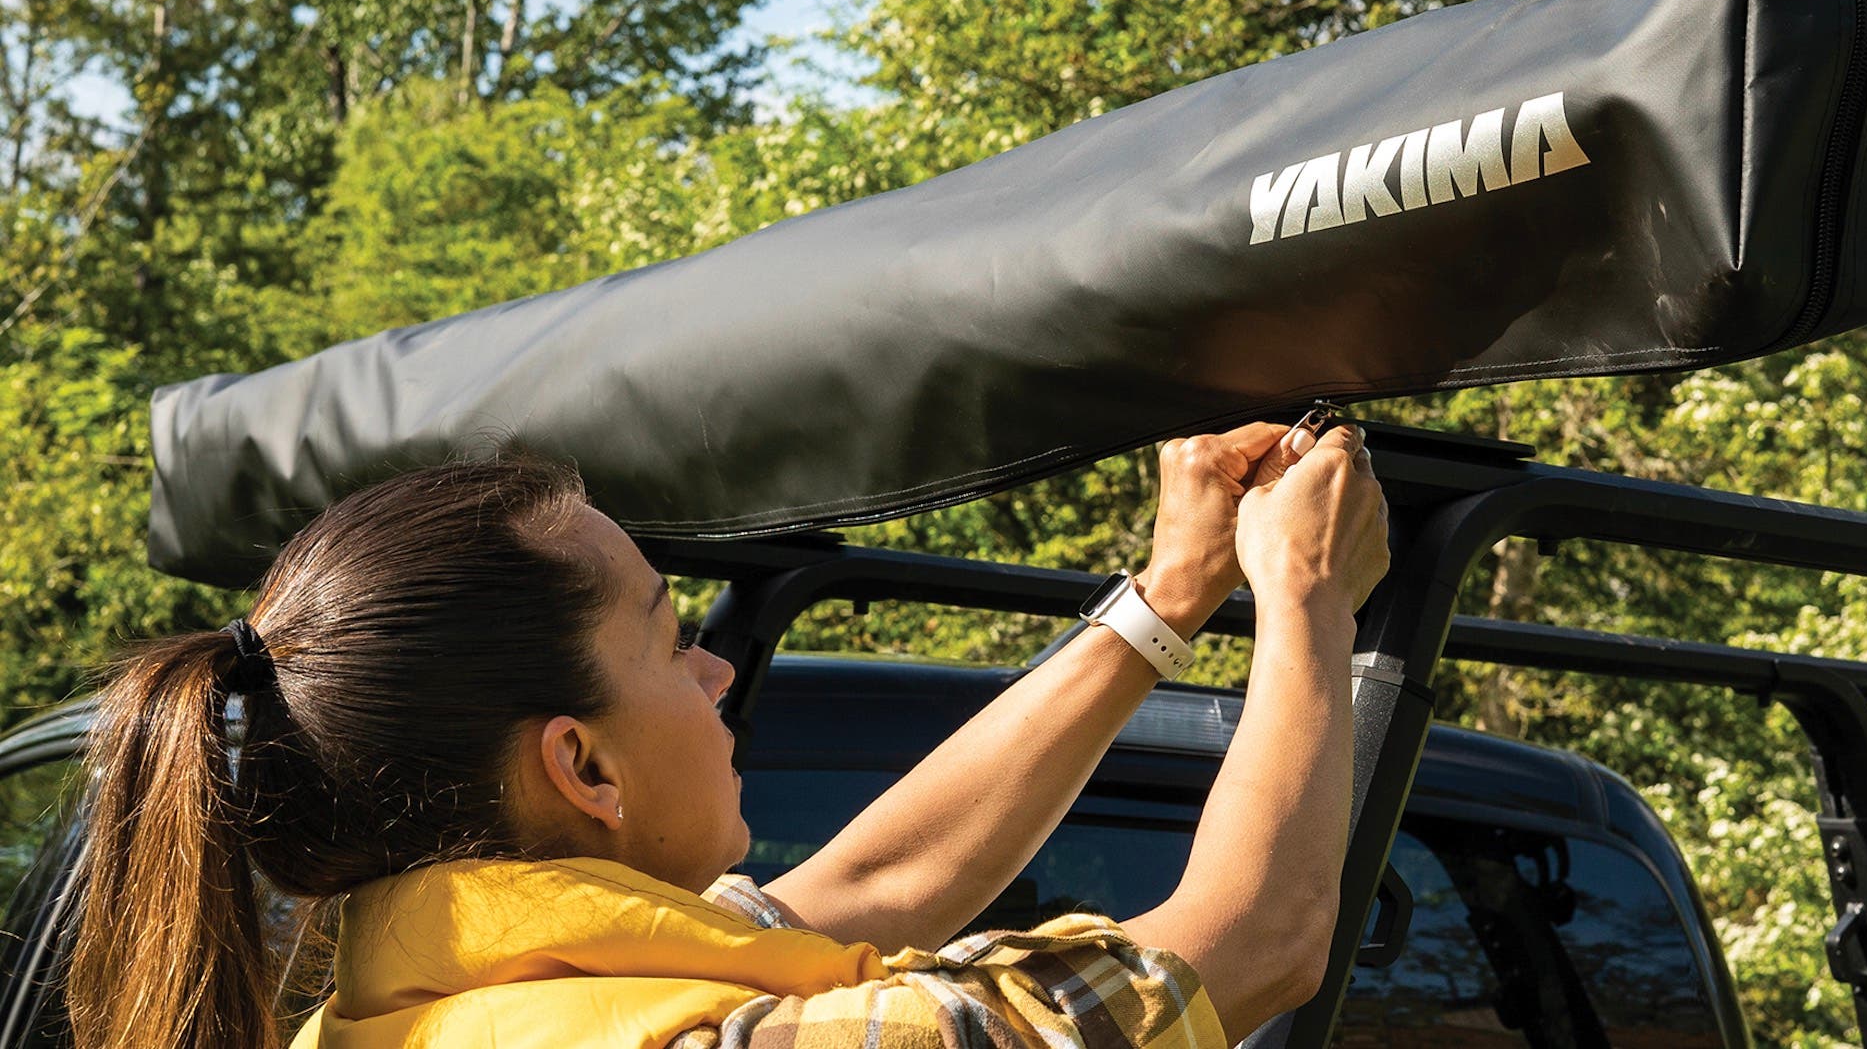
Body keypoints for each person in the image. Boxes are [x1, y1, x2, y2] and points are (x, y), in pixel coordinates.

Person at [68, 419, 1389, 1049]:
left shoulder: (420, 1008)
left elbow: (873, 887)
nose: (712, 672)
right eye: (662, 637)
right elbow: (1257, 940)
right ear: (578, 764)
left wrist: (1165, 601)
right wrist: (1310, 601)